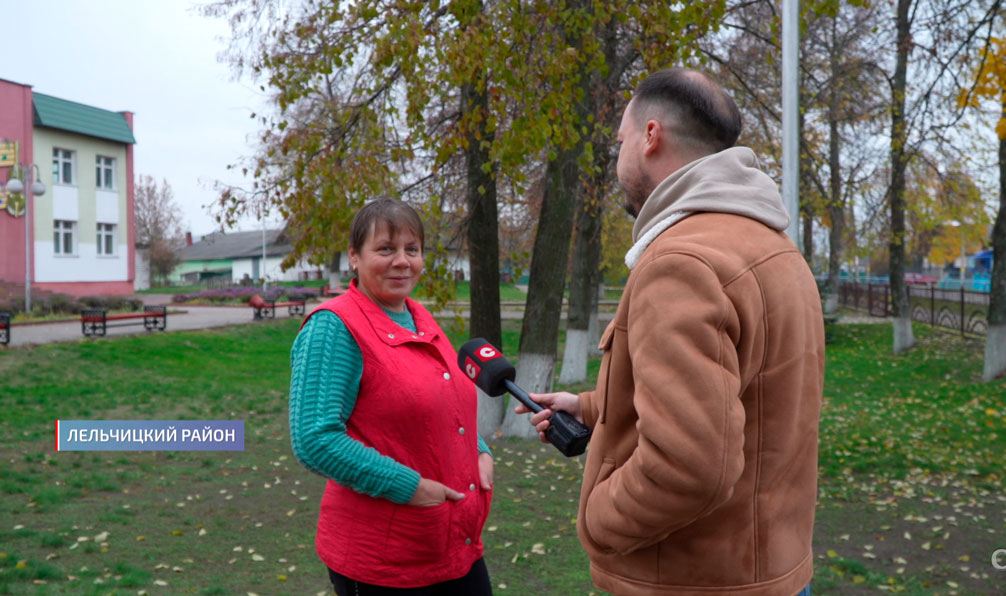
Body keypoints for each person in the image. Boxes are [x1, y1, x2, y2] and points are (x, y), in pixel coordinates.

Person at [518, 68, 824, 596]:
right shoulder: (772, 247)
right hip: (771, 571)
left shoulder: (681, 262)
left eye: (621, 141)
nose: (618, 160)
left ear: (650, 137)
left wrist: (598, 521)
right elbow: (749, 401)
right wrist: (593, 407)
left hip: (692, 581)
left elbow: (690, 466)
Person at [289, 198, 494, 596]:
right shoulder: (333, 327)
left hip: (453, 545)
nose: (402, 261)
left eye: (412, 250)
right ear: (354, 256)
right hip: (384, 561)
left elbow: (443, 398)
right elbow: (315, 440)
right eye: (386, 249)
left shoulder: (418, 316)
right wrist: (411, 487)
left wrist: (479, 449)